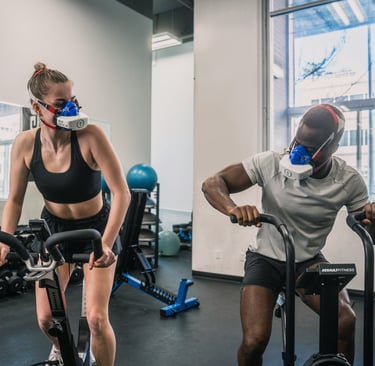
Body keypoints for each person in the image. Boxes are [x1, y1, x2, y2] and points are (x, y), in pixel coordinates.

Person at [201, 103, 375, 366]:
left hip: (307, 260)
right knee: (253, 342)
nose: (299, 152)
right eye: (298, 142)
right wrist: (233, 208)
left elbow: (367, 229)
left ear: (333, 146)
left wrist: (372, 218)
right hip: (265, 258)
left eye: (310, 147)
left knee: (345, 321)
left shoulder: (348, 180)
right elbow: (212, 183)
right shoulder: (271, 162)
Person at [0, 62, 130, 366]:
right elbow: (15, 200)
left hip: (95, 231)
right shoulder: (23, 144)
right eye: (61, 103)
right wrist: (5, 242)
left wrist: (107, 244)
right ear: (37, 106)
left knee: (96, 319)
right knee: (47, 319)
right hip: (53, 232)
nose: (70, 108)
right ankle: (62, 352)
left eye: (73, 100)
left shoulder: (91, 136)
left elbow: (121, 193)